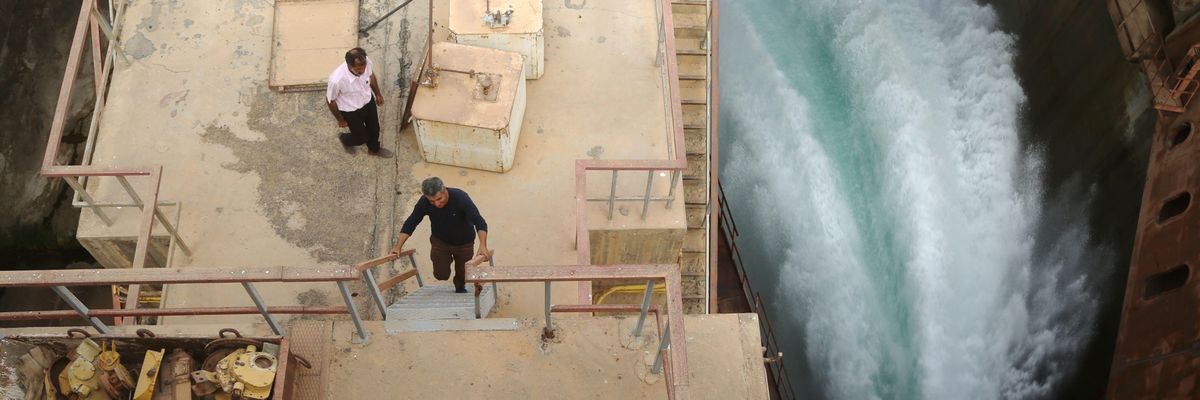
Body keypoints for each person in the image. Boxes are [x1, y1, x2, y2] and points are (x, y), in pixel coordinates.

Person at [390, 177, 489, 293]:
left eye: (439, 199)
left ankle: (460, 288)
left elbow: (479, 221)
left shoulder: (461, 198)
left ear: (444, 190)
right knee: (441, 275)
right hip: (440, 242)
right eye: (432, 201)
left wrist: (483, 245)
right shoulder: (424, 202)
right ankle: (446, 267)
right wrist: (398, 246)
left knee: (463, 274)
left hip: (464, 244)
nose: (436, 204)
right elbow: (411, 222)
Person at [326, 47, 390, 157]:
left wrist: (378, 94)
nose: (362, 71)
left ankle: (374, 149)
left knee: (374, 129)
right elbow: (330, 100)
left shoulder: (366, 62)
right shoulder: (337, 80)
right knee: (361, 138)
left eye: (364, 68)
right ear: (349, 66)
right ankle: (344, 139)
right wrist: (340, 119)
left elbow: (370, 75)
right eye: (359, 70)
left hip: (367, 102)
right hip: (350, 110)